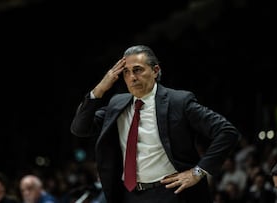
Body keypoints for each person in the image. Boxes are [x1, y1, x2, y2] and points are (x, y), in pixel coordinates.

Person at [70, 44, 242, 203]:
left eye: (137, 70)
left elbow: (226, 131)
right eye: (126, 72)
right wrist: (100, 88)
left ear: (155, 70)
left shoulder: (179, 101)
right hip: (128, 195)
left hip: (170, 193)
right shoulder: (117, 103)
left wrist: (198, 172)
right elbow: (80, 129)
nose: (132, 77)